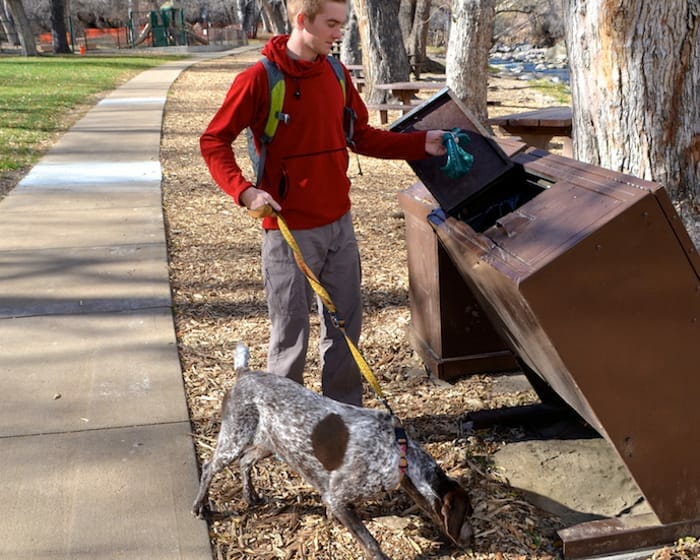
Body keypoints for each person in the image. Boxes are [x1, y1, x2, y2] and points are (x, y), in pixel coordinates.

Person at [200, 0, 447, 407]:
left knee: (346, 328)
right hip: (287, 232)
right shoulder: (259, 79)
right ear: (303, 20)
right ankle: (285, 421)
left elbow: (362, 136)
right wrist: (245, 192)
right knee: (290, 334)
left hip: (339, 226)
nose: (339, 33)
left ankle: (344, 415)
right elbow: (213, 141)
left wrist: (421, 144)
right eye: (332, 24)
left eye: (342, 24)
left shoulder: (336, 73)